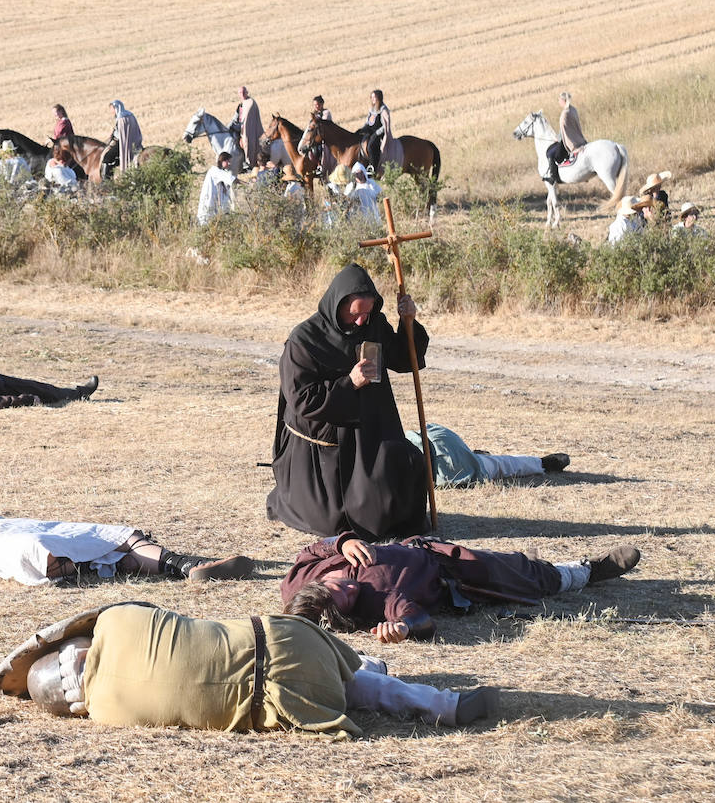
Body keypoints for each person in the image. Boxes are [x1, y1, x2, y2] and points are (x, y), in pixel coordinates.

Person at [0, 602, 499, 735]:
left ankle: (383, 679)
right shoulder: (120, 621)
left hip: (289, 707)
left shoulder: (108, 713)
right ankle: (438, 701)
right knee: (352, 674)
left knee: (344, 686)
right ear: (78, 650)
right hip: (286, 646)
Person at [267, 263, 429, 542]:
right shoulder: (304, 341)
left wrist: (409, 323)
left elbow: (404, 359)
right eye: (354, 314)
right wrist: (349, 383)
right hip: (328, 444)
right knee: (333, 521)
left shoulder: (373, 325)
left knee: (408, 463)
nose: (361, 322)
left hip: (374, 431)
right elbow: (302, 400)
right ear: (336, 304)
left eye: (367, 313)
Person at [281, 533, 640, 643]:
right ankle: (587, 572)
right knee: (525, 575)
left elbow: (312, 547)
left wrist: (341, 543)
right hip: (453, 571)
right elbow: (416, 617)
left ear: (317, 582)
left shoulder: (296, 582)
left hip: (416, 543)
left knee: (518, 564)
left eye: (338, 586)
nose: (350, 588)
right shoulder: (375, 600)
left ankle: (545, 565)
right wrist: (405, 628)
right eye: (347, 600)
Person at [0, 510, 254, 586]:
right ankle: (182, 564)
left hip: (7, 533)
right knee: (112, 537)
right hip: (0, 540)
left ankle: (187, 567)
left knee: (111, 539)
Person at [405, 423, 569, 487]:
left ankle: (542, 463)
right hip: (443, 457)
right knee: (496, 464)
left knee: (496, 465)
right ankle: (541, 463)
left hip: (446, 459)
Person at [546, 91, 587, 184]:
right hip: (578, 138)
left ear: (563, 100)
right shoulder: (573, 110)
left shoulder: (564, 114)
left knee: (551, 154)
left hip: (569, 141)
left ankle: (554, 178)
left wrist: (558, 138)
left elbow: (564, 131)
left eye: (559, 100)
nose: (558, 101)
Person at [101, 100, 142, 179]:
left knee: (107, 157)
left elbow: (120, 135)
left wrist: (113, 137)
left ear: (116, 108)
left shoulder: (121, 118)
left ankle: (106, 180)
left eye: (111, 109)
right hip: (135, 142)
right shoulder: (130, 114)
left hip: (123, 143)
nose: (111, 112)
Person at [356, 90, 393, 175]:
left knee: (371, 145)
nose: (372, 99)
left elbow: (385, 126)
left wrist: (376, 133)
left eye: (374, 97)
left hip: (379, 134)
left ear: (378, 98)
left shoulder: (383, 110)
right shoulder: (371, 110)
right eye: (371, 97)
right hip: (371, 132)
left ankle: (373, 167)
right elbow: (368, 122)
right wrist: (362, 129)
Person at [229, 86, 264, 172]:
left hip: (249, 130)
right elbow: (235, 118)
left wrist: (242, 128)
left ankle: (247, 161)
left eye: (244, 92)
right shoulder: (241, 105)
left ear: (247, 92)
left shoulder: (251, 103)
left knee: (246, 140)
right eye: (240, 93)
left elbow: (248, 121)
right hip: (239, 127)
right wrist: (228, 127)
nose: (242, 94)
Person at [196, 151, 237, 225]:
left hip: (216, 213)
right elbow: (233, 180)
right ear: (222, 161)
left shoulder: (222, 174)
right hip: (208, 210)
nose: (229, 164)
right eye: (228, 161)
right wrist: (247, 184)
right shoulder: (214, 171)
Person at [311, 95, 334, 175]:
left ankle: (321, 165)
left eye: (317, 105)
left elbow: (323, 124)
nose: (316, 107)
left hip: (326, 136)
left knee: (320, 148)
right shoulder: (314, 114)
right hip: (317, 136)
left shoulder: (326, 113)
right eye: (314, 105)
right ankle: (316, 165)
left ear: (322, 104)